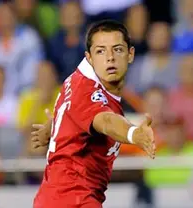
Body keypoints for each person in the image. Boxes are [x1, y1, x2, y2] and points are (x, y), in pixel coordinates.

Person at [32, 20, 156, 208]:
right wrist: (133, 134)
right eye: (101, 51)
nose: (110, 58)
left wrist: (53, 128)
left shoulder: (77, 79)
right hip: (72, 198)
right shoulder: (88, 91)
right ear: (89, 57)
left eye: (117, 49)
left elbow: (73, 110)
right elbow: (105, 120)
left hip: (57, 198)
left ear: (130, 54)